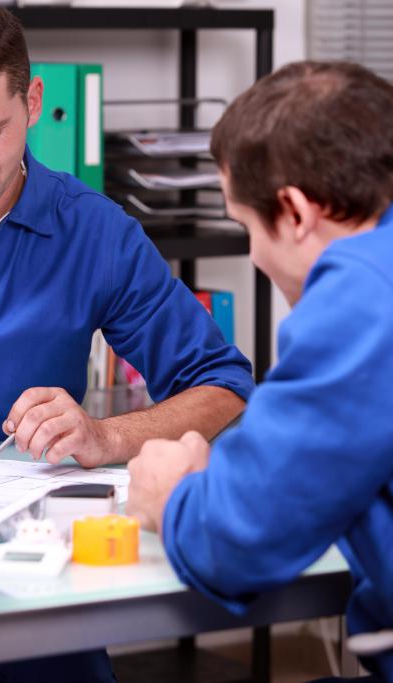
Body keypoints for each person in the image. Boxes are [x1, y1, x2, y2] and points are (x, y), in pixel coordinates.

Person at [0, 1, 253, 681]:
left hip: (19, 540)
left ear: (33, 100)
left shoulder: (96, 233)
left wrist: (106, 437)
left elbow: (223, 386)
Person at [127, 59, 393, 682]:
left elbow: (236, 540)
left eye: (247, 226)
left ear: (296, 213)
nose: (252, 254)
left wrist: (171, 498)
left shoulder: (362, 297)